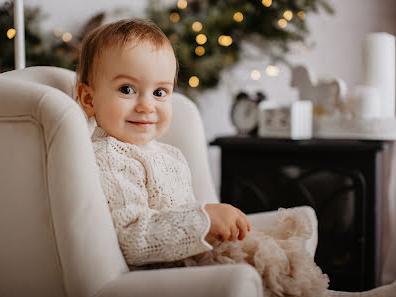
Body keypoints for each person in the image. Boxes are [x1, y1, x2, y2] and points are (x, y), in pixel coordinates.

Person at [76, 18, 396, 297]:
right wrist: (204, 219)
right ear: (89, 99)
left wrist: (213, 224)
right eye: (127, 90)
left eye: (160, 92)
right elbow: (133, 237)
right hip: (166, 274)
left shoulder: (168, 154)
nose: (147, 105)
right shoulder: (109, 156)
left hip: (194, 255)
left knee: (278, 253)